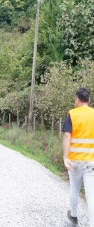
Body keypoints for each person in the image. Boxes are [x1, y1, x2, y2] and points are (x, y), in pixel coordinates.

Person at [63, 87, 94, 227]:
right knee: (91, 195)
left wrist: (65, 156)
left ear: (77, 100)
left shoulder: (72, 114)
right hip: (91, 161)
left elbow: (67, 135)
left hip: (74, 160)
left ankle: (74, 217)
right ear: (89, 100)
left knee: (74, 189)